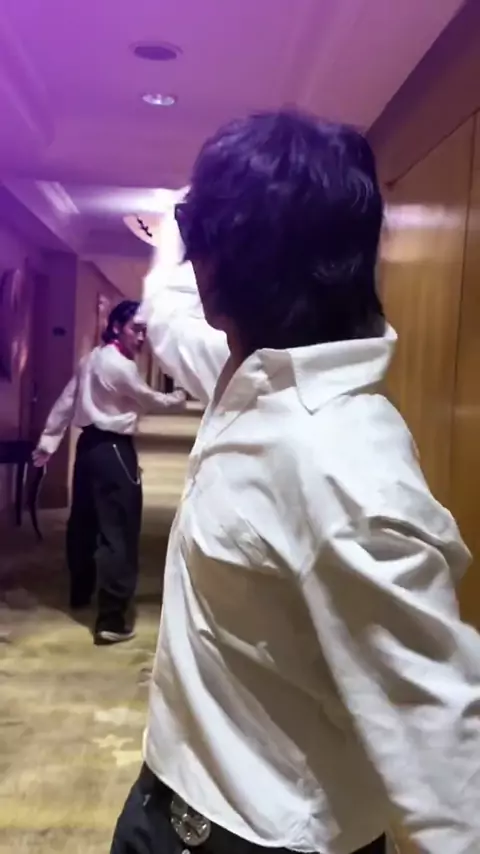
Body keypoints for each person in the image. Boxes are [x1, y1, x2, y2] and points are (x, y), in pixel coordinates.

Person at [112, 112, 480, 854]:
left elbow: (446, 749)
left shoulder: (342, 470)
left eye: (196, 236)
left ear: (226, 263)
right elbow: (170, 315)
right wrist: (177, 233)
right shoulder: (250, 376)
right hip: (165, 798)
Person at [33, 299, 186, 645]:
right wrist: (179, 395)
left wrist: (48, 442)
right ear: (116, 326)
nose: (141, 338)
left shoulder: (92, 359)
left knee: (83, 524)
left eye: (144, 331)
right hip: (115, 450)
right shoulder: (120, 367)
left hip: (88, 449)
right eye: (135, 329)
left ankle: (80, 592)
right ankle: (112, 619)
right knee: (119, 530)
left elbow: (67, 400)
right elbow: (150, 400)